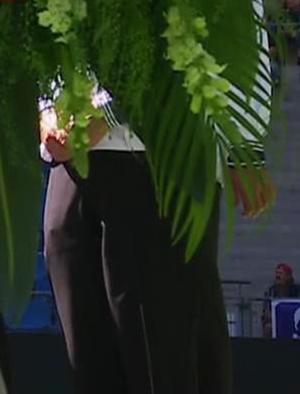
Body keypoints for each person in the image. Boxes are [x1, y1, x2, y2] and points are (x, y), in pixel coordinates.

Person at [40, 102, 231, 394]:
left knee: (163, 368)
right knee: (89, 369)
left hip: (154, 158)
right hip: (68, 165)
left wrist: (108, 112)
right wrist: (46, 114)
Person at [260, 263, 300, 331]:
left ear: (288, 276)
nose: (277, 275)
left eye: (280, 273)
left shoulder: (298, 290)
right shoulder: (270, 291)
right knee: (268, 328)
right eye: (276, 273)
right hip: (275, 320)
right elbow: (266, 309)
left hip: (293, 320)